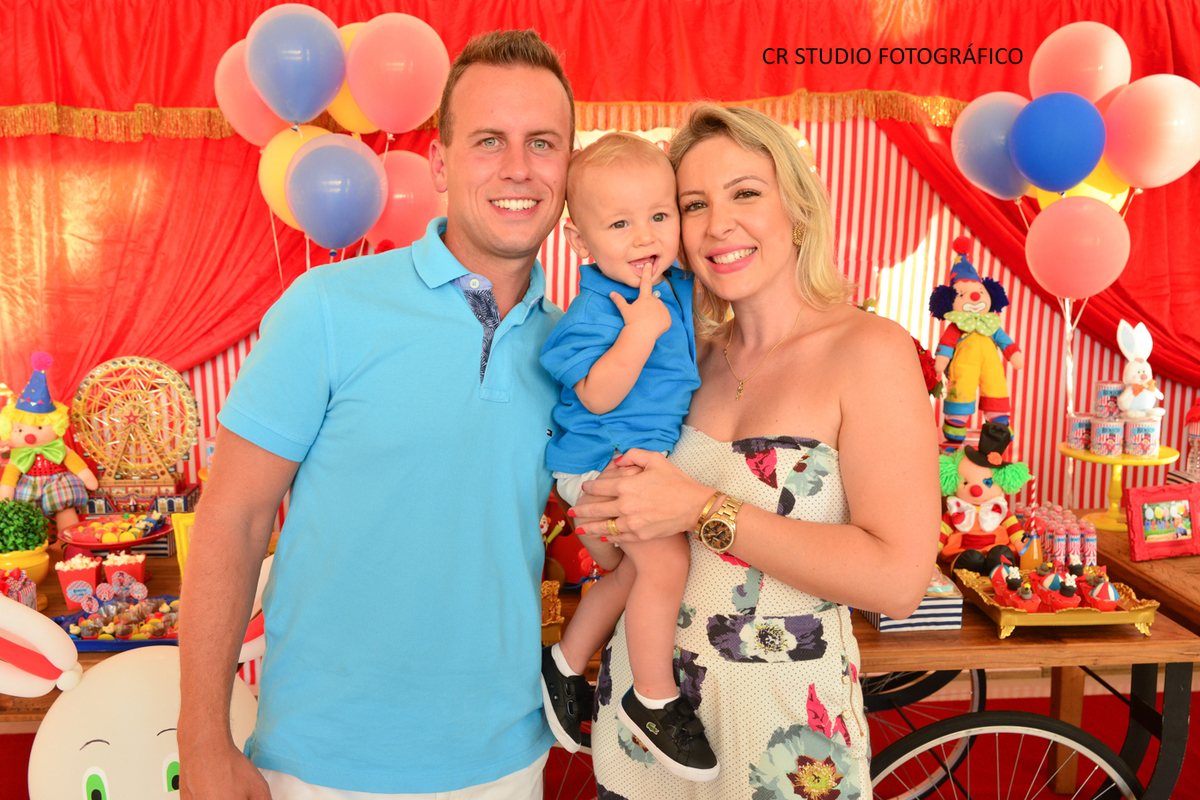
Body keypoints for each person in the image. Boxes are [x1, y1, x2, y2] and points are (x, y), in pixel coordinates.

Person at [178, 30, 574, 800]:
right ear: (440, 164)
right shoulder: (327, 308)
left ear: (568, 168)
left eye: (542, 143)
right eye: (488, 140)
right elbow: (233, 518)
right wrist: (202, 741)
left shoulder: (571, 353)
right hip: (319, 766)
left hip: (506, 761)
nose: (518, 168)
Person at [572, 105, 941, 799]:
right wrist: (606, 516)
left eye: (745, 193)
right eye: (693, 204)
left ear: (796, 207)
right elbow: (634, 555)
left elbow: (898, 581)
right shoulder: (685, 359)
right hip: (647, 725)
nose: (718, 224)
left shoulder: (869, 350)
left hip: (782, 738)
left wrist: (703, 508)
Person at [536, 133, 716, 781]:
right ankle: (654, 698)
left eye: (659, 215)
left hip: (630, 459)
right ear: (580, 241)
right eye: (619, 224)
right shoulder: (596, 310)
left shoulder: (671, 286)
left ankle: (563, 665)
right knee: (666, 561)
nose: (644, 236)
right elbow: (597, 393)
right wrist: (638, 334)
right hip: (600, 458)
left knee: (632, 575)